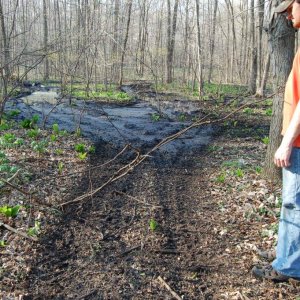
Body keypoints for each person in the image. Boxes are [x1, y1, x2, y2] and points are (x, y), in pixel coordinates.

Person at [252, 0, 300, 282]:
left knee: (294, 204)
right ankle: (287, 252)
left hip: (298, 142)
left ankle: (289, 266)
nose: (287, 15)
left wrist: (286, 141)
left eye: (290, 8)